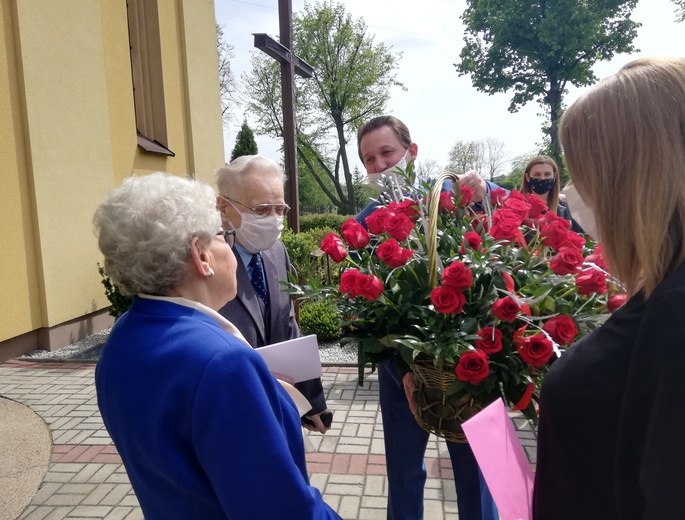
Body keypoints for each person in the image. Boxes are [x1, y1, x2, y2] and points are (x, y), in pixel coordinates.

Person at [93, 172, 340, 519]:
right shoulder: (223, 363)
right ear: (201, 256)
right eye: (223, 236)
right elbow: (281, 509)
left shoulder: (123, 335)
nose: (230, 245)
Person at [533, 56, 685, 519]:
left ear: (630, 176)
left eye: (582, 172)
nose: (570, 194)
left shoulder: (681, 311)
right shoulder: (668, 290)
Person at [355, 115, 499, 520]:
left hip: (466, 367)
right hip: (401, 370)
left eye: (387, 153)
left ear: (411, 152)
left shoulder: (452, 200)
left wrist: (485, 189)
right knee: (403, 470)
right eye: (369, 159)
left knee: (473, 470)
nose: (380, 166)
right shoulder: (365, 224)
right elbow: (364, 313)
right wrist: (400, 365)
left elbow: (511, 209)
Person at [216, 155, 331, 433]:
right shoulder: (208, 263)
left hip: (280, 410)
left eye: (280, 209)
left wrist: (312, 402)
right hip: (229, 415)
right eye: (261, 209)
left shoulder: (277, 250)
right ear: (223, 208)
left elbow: (287, 324)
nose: (274, 220)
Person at [520, 155, 583, 231]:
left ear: (555, 176)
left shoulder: (569, 205)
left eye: (547, 174)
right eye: (537, 174)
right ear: (527, 177)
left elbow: (580, 237)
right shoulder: (516, 207)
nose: (542, 178)